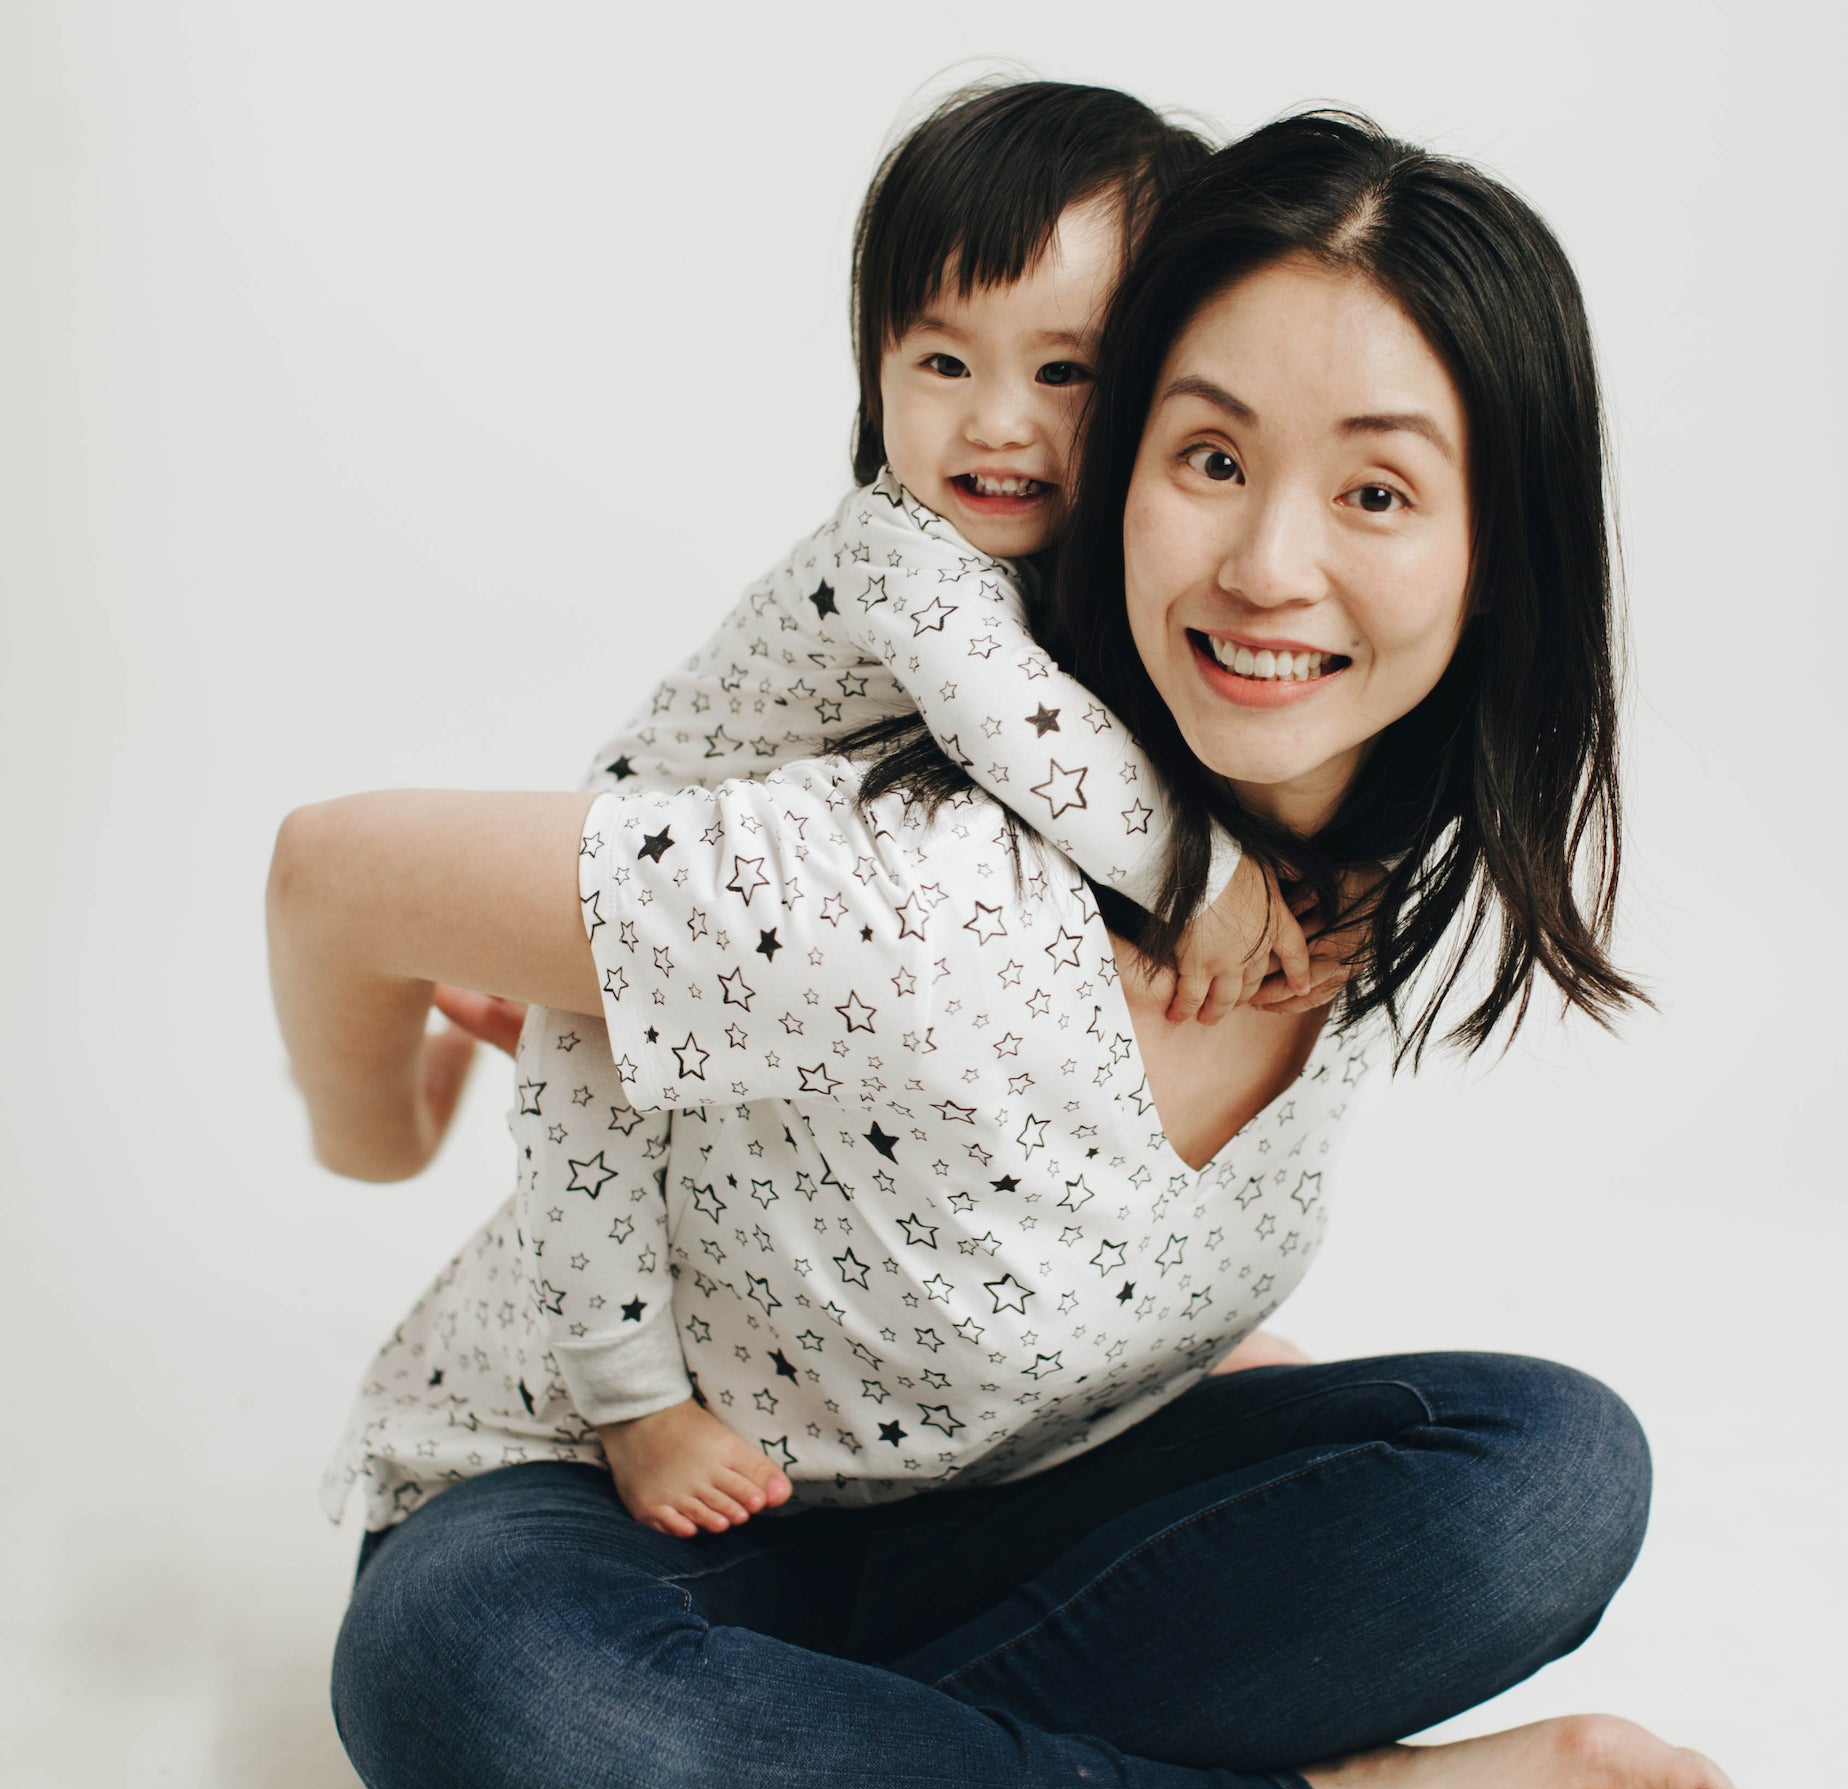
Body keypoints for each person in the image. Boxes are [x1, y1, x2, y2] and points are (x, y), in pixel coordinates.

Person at [269, 111, 1737, 1789]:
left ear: (1502, 552)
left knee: (1546, 1479)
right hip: (607, 1530)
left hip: (979, 1513)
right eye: (1209, 458)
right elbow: (331, 875)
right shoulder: (897, 887)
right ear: (1123, 480)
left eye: (1377, 494)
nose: (1271, 562)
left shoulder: (1344, 881)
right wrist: (377, 1135)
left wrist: (1167, 1355)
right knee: (519, 1711)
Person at [390, 78, 1325, 1542]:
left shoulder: (1092, 557)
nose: (996, 424)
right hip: (653, 873)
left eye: (1065, 374)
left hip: (804, 922)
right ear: (872, 362)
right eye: (941, 360)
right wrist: (1200, 881)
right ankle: (633, 1405)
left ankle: (1122, 1385)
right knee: (590, 1131)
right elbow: (1026, 736)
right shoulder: (902, 556)